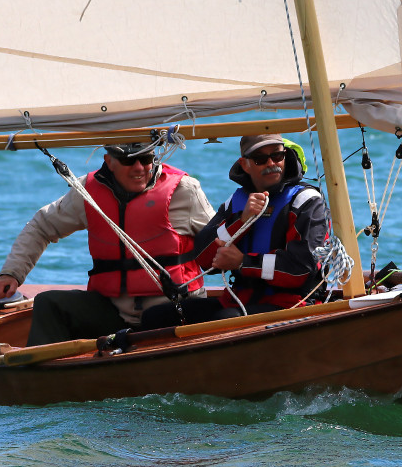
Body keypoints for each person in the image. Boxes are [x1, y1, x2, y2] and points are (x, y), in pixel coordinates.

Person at [0, 143, 215, 345]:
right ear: (109, 161)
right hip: (114, 312)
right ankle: (42, 381)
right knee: (49, 303)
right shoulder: (87, 191)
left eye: (146, 159)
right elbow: (41, 226)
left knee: (163, 319)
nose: (139, 167)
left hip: (173, 310)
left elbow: (219, 241)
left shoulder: (185, 190)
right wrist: (12, 273)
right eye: (128, 160)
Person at [139, 134, 329, 329]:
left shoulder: (306, 202)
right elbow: (204, 258)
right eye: (260, 159)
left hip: (292, 306)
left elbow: (301, 270)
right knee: (154, 318)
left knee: (223, 321)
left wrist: (242, 262)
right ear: (245, 164)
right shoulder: (236, 203)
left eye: (278, 156)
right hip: (240, 301)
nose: (271, 163)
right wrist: (241, 220)